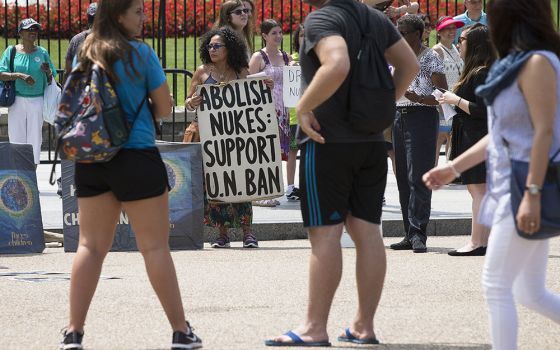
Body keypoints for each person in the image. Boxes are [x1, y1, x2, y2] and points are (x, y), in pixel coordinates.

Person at [265, 0, 418, 346]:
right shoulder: (375, 19)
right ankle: (364, 326)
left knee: (325, 236)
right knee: (368, 233)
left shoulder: (322, 19)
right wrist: (384, 103)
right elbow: (408, 64)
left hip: (328, 139)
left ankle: (313, 328)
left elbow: (337, 62)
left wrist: (303, 106)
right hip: (371, 140)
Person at [58, 1, 202, 349]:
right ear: (119, 15)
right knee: (154, 247)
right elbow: (166, 107)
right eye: (137, 11)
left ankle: (74, 332)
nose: (143, 17)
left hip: (93, 157)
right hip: (136, 155)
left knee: (90, 247)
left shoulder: (86, 50)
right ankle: (180, 331)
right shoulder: (141, 53)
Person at [424, 0, 560, 348]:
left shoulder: (537, 63)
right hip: (512, 184)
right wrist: (453, 167)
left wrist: (531, 194)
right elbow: (499, 131)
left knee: (496, 285)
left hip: (524, 185)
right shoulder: (516, 64)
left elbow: (544, 132)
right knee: (529, 292)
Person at [185, 27, 260, 249]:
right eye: (210, 46)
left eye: (217, 46)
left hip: (236, 137)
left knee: (241, 183)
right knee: (216, 185)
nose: (212, 49)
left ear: (229, 49)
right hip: (210, 138)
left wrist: (264, 86)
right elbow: (188, 100)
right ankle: (222, 234)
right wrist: (192, 102)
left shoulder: (240, 71)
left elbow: (253, 98)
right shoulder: (202, 72)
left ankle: (248, 233)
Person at [389, 14, 447, 253]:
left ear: (418, 33)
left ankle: (418, 233)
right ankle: (408, 232)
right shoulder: (396, 56)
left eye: (403, 33)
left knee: (418, 176)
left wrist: (421, 99)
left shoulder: (430, 57)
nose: (399, 37)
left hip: (421, 116)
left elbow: (443, 91)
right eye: (397, 32)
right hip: (398, 116)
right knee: (403, 176)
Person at [437, 23, 495, 256]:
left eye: (463, 39)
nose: (459, 42)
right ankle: (483, 241)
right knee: (480, 190)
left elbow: (482, 109)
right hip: (472, 134)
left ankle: (477, 242)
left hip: (476, 136)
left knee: (478, 190)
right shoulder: (477, 70)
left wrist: (454, 99)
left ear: (475, 45)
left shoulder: (481, 72)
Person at [0, 18, 57, 166]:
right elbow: (1, 73)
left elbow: (52, 77)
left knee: (35, 139)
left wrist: (48, 72)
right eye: (29, 29)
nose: (33, 32)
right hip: (17, 100)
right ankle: (19, 176)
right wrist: (19, 75)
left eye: (35, 29)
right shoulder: (11, 51)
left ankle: (31, 178)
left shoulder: (42, 52)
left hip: (37, 100)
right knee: (16, 138)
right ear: (21, 33)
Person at [248, 19, 292, 207]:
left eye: (280, 32)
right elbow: (246, 80)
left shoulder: (286, 57)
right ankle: (260, 192)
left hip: (283, 110)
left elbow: (293, 83)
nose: (278, 36)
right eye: (274, 33)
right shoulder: (259, 57)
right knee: (263, 152)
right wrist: (261, 78)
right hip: (263, 109)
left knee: (276, 153)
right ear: (264, 36)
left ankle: (269, 190)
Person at [432, 16, 464, 165]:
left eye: (453, 28)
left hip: (455, 98)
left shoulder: (456, 49)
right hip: (443, 99)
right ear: (439, 32)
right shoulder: (437, 51)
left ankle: (449, 170)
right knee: (440, 136)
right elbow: (432, 78)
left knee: (452, 134)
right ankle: (432, 169)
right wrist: (439, 102)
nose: (451, 31)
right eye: (447, 28)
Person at [285, 24, 304, 202]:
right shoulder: (292, 60)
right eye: (301, 36)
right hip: (294, 117)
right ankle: (290, 187)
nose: (304, 39)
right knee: (293, 151)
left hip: (314, 116)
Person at [64, 2, 97, 82]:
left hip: (79, 88)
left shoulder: (76, 40)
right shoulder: (110, 41)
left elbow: (67, 71)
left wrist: (64, 91)